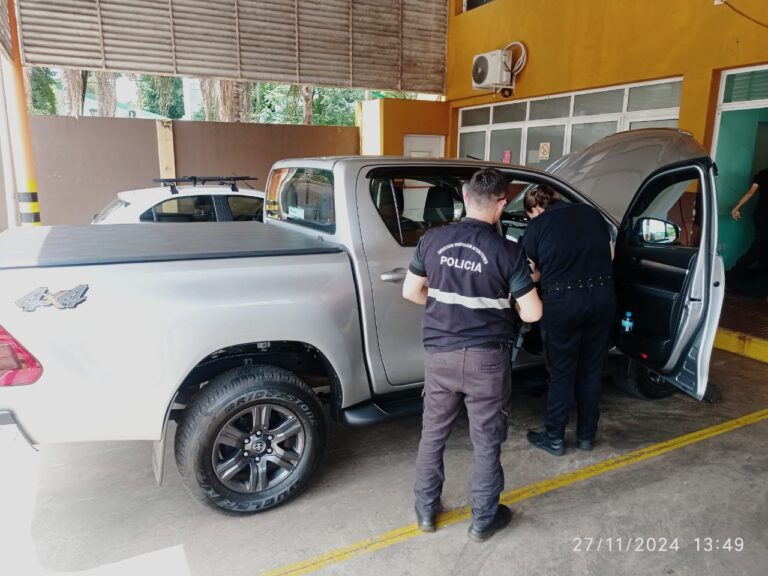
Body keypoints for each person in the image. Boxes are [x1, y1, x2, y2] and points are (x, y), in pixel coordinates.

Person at [402, 168, 542, 542]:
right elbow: (532, 314)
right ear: (500, 204)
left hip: (440, 355)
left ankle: (426, 512)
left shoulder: (432, 240)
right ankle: (483, 519)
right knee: (486, 440)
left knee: (432, 436)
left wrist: (447, 304)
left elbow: (411, 291)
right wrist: (530, 283)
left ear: (465, 198)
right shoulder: (508, 252)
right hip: (487, 362)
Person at [521, 185, 615, 456]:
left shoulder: (539, 225)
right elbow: (610, 255)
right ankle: (586, 436)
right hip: (602, 299)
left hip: (563, 303)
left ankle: (554, 438)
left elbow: (531, 274)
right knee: (591, 370)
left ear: (536, 209)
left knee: (562, 373)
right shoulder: (592, 214)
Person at [729, 168, 768, 278]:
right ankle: (733, 274)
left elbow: (751, 193)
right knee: (759, 247)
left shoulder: (763, 173)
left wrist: (737, 207)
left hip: (761, 216)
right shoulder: (763, 173)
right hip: (763, 217)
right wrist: (737, 208)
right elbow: (750, 193)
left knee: (761, 247)